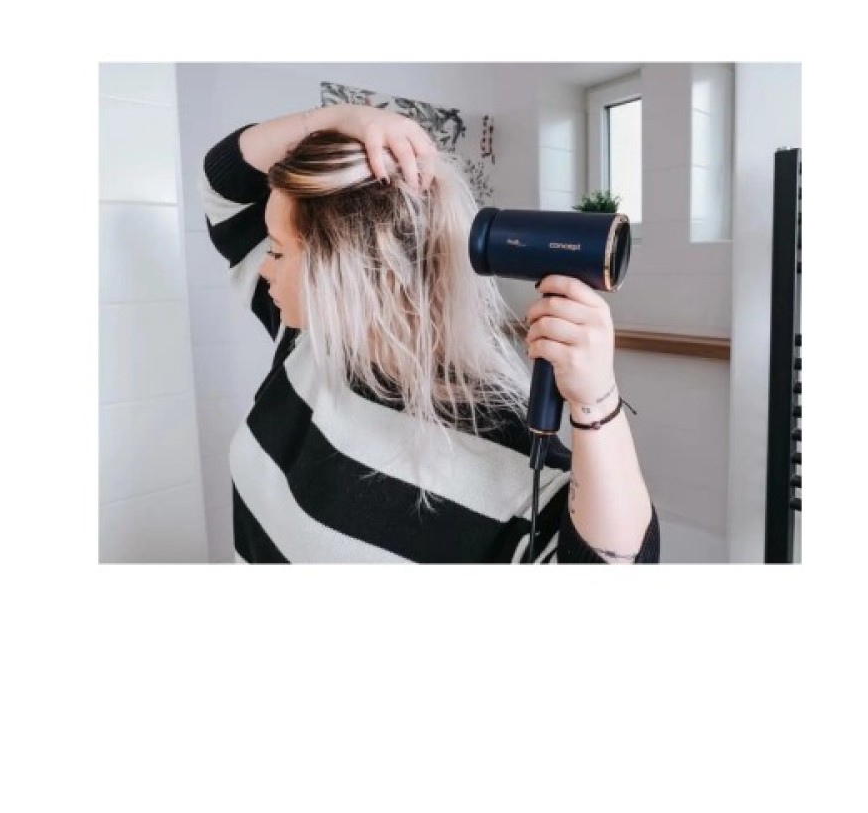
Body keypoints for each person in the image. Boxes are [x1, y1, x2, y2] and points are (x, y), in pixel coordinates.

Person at [198, 102, 659, 563]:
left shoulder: (503, 457)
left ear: (346, 273)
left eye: (278, 252)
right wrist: (343, 119)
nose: (264, 267)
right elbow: (223, 186)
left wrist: (597, 402)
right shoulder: (306, 339)